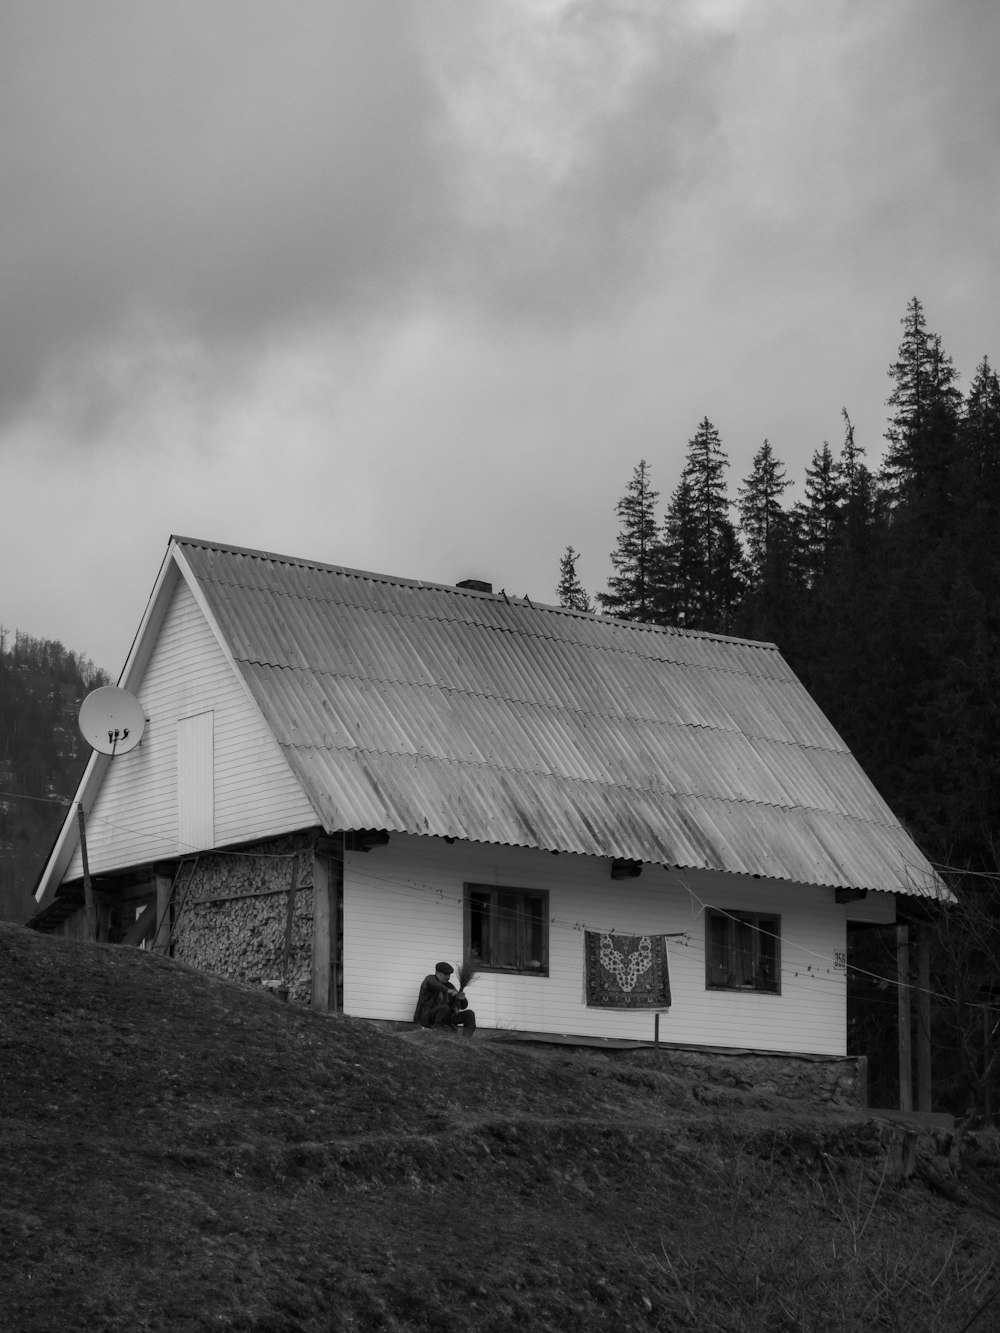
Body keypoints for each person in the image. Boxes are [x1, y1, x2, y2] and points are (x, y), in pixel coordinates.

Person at [413, 962, 476, 1035]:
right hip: (428, 1016)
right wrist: (447, 991)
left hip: (446, 1017)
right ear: (437, 972)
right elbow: (435, 984)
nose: (448, 977)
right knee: (444, 1008)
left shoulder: (450, 986)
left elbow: (463, 1006)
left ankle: (467, 1038)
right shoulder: (429, 980)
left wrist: (462, 999)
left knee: (469, 1014)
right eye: (445, 974)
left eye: (449, 975)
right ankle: (437, 1030)